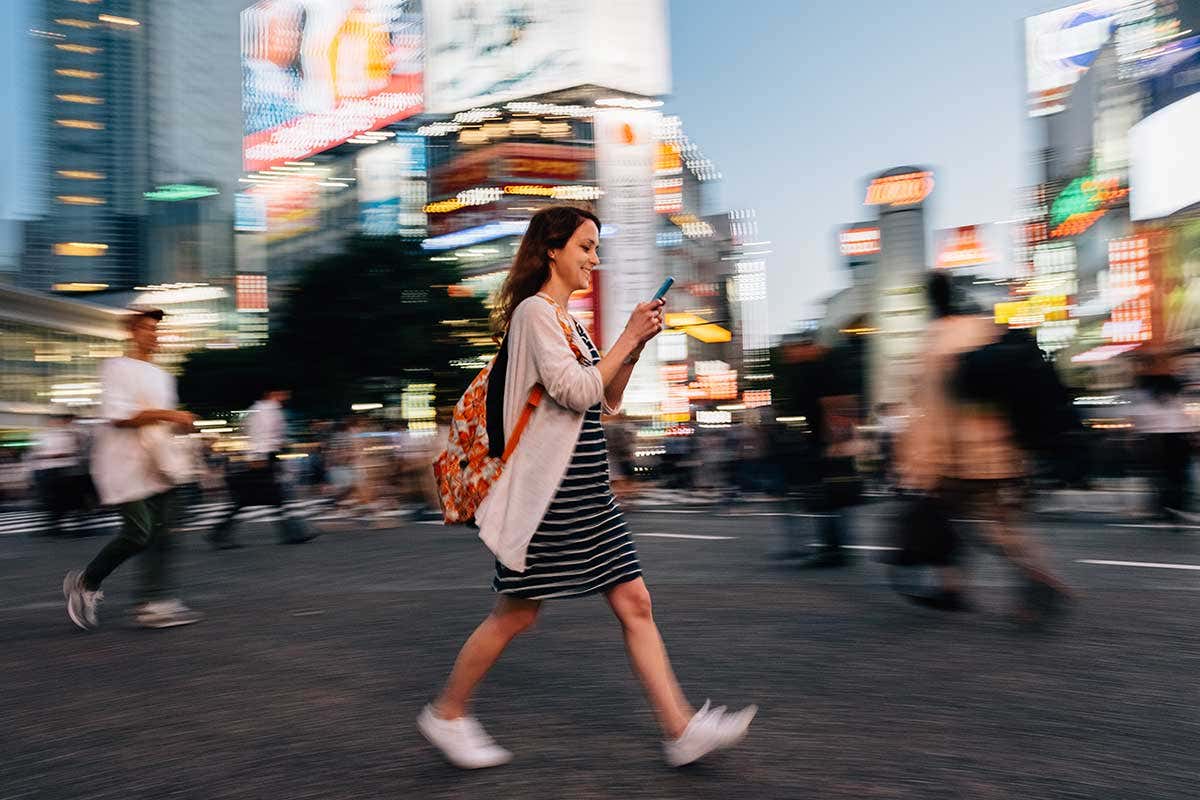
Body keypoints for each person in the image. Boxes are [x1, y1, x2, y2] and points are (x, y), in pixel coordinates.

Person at [417, 206, 756, 770]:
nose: (594, 259)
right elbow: (575, 391)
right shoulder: (533, 314)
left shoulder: (567, 322)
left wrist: (636, 345)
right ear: (551, 250)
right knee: (516, 614)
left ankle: (680, 729)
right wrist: (625, 335)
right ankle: (448, 713)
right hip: (550, 500)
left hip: (587, 493)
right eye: (586, 246)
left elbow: (606, 398)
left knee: (634, 602)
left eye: (596, 248)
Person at [898, 272, 1071, 621]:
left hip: (960, 458)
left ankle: (1033, 580)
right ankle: (956, 588)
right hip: (1003, 451)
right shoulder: (986, 329)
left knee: (957, 522)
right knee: (993, 523)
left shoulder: (935, 341)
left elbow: (933, 409)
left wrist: (918, 463)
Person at [62, 308, 201, 630]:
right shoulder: (116, 368)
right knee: (139, 533)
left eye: (157, 329)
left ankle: (154, 604)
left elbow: (161, 422)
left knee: (163, 534)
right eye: (148, 328)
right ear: (132, 332)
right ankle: (86, 582)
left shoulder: (164, 377)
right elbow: (120, 417)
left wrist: (181, 424)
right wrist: (170, 415)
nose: (154, 334)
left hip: (159, 464)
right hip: (124, 465)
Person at [206, 388, 317, 548]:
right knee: (265, 498)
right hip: (263, 459)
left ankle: (293, 533)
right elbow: (258, 438)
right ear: (272, 393)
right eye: (282, 393)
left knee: (264, 499)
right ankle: (293, 533)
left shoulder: (266, 410)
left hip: (266, 458)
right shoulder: (263, 411)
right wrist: (258, 459)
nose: (286, 396)